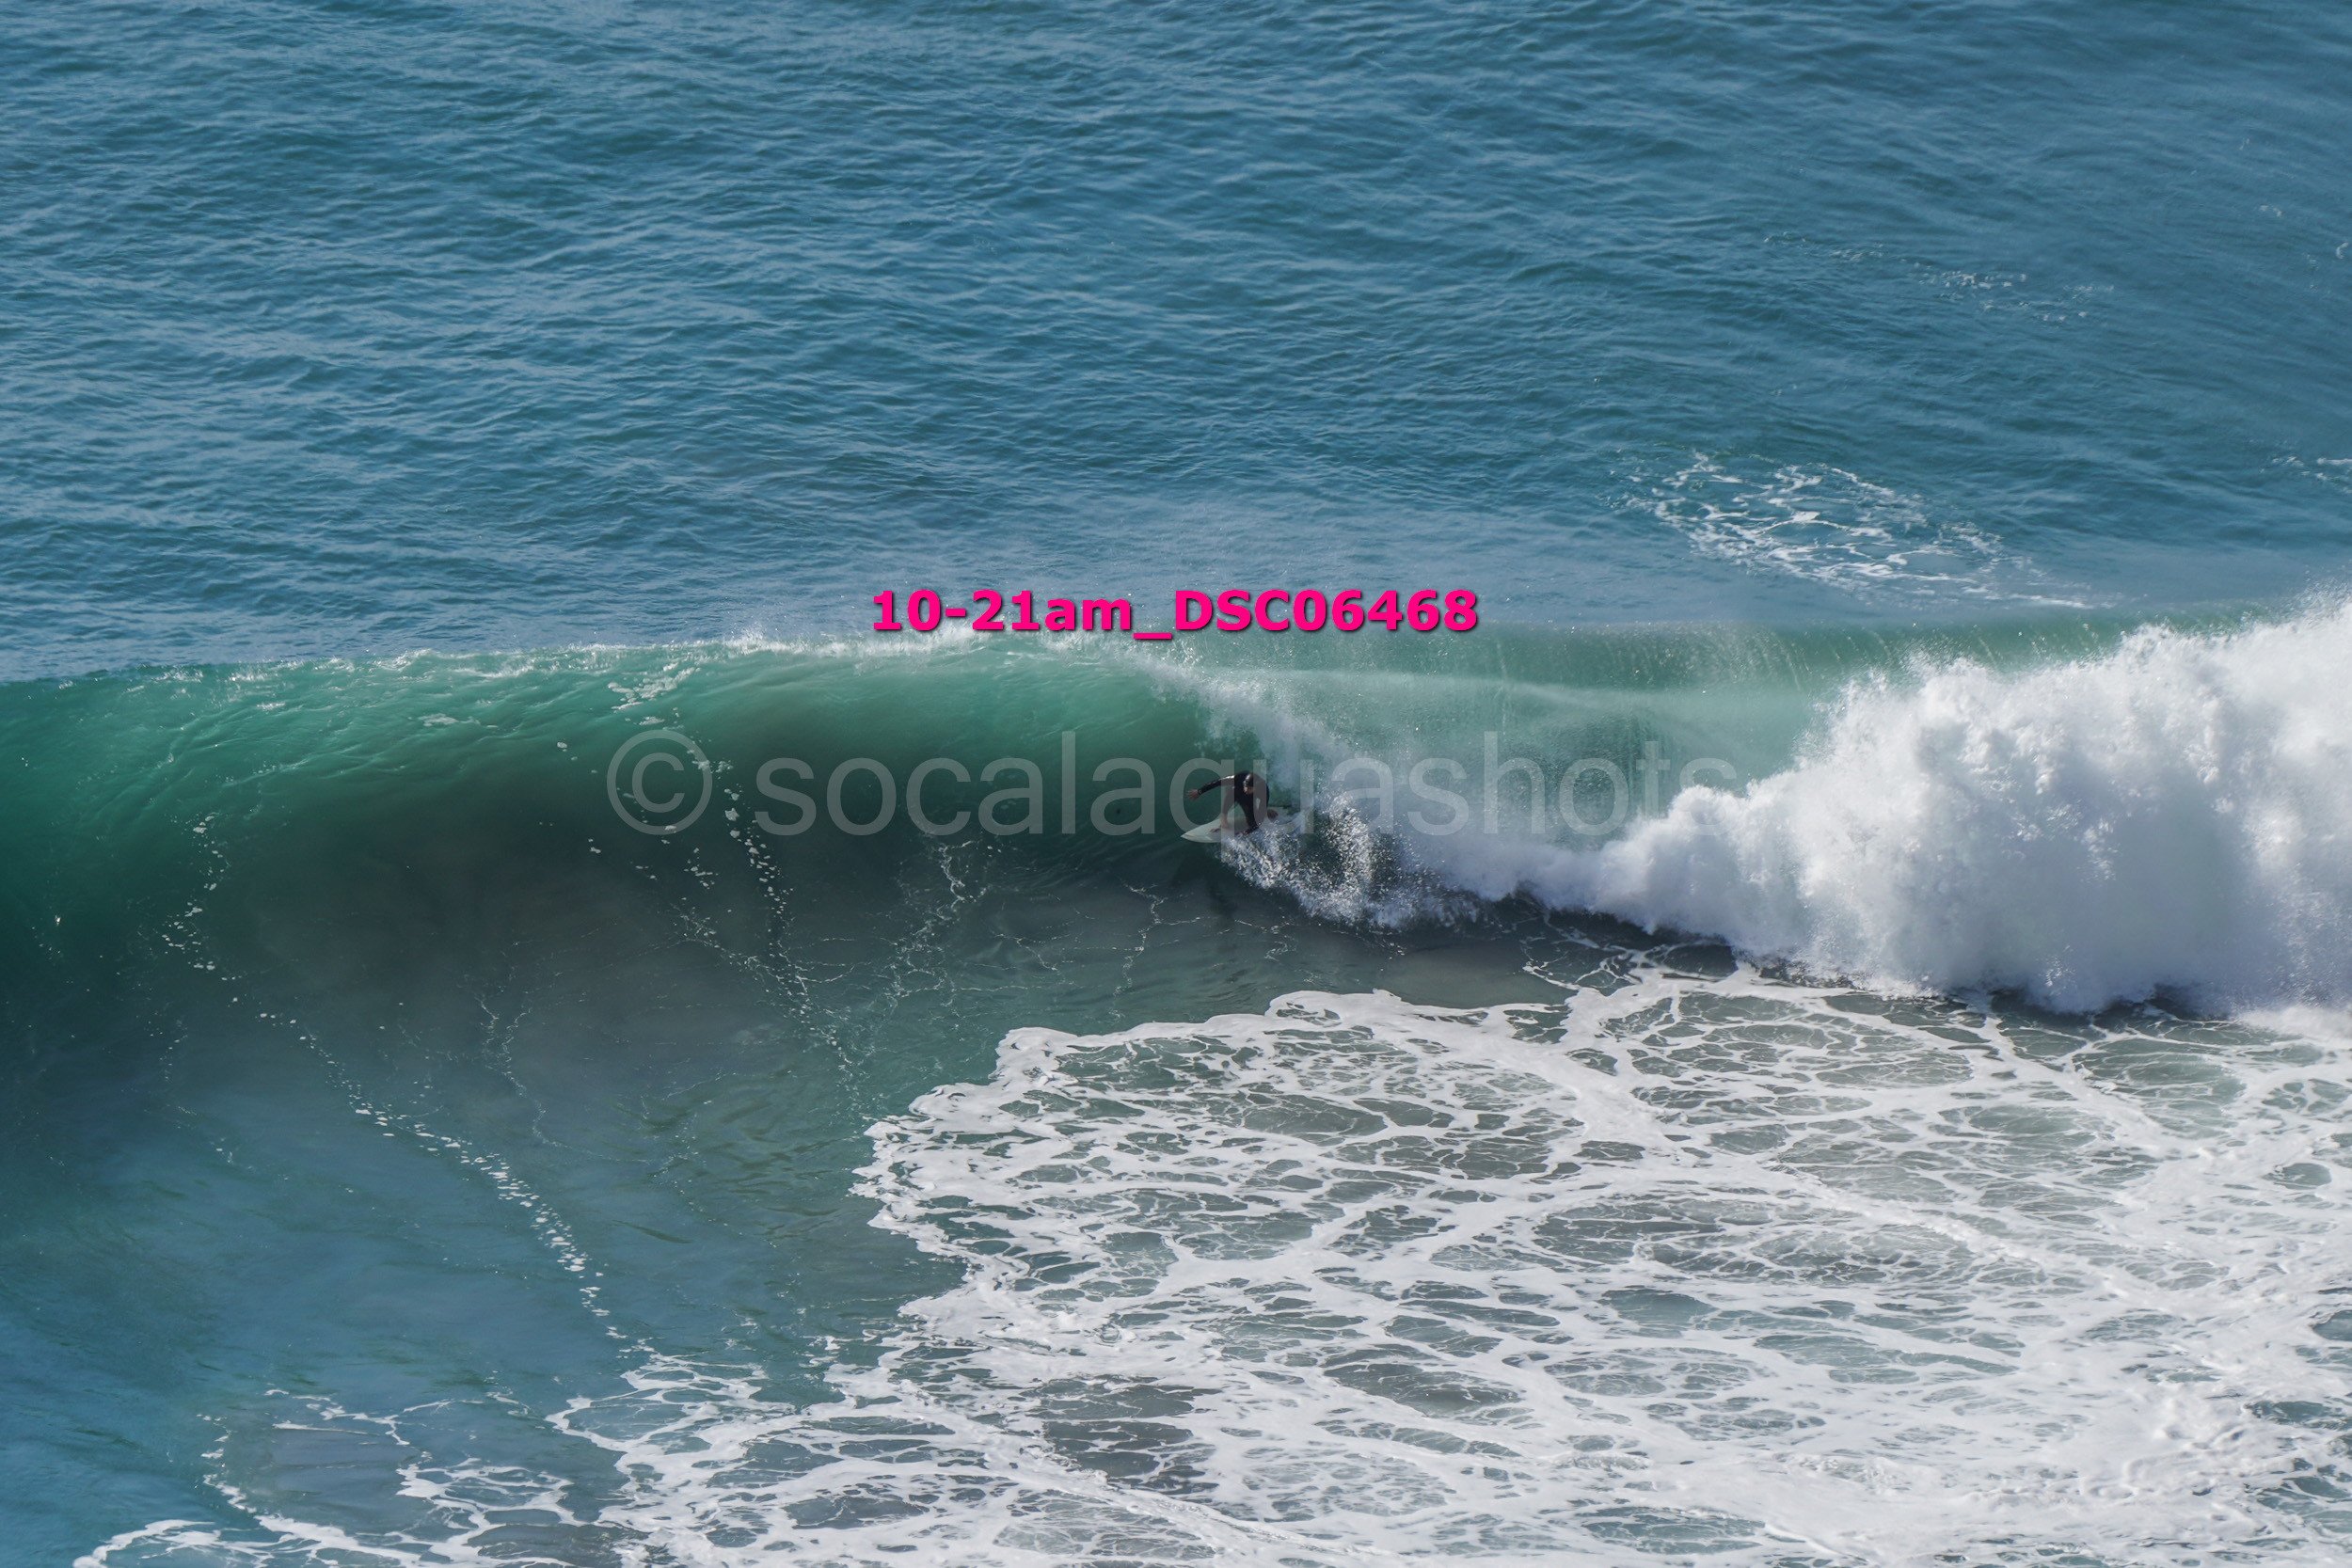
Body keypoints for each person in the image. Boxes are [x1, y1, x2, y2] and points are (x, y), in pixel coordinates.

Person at [1188, 770, 1269, 834]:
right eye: (1246, 787)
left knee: (1252, 821)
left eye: (1250, 788)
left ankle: (1266, 811)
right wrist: (1199, 791)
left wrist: (1246, 832)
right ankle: (1223, 820)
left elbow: (1259, 822)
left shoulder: (1263, 790)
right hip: (1237, 792)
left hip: (1251, 798)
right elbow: (1217, 782)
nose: (1247, 790)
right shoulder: (1240, 778)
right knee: (1234, 791)